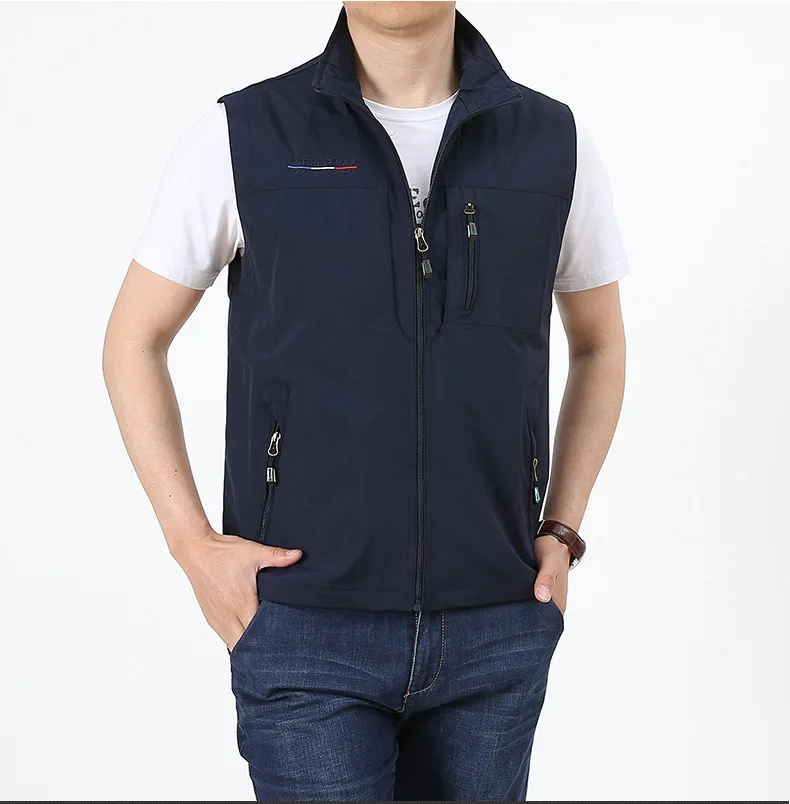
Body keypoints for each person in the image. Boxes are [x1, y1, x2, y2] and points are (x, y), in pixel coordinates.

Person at [103, 2, 627, 800]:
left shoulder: (552, 142)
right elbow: (133, 341)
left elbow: (599, 345)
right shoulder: (243, 135)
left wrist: (561, 529)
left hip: (497, 622)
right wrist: (191, 544)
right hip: (304, 622)